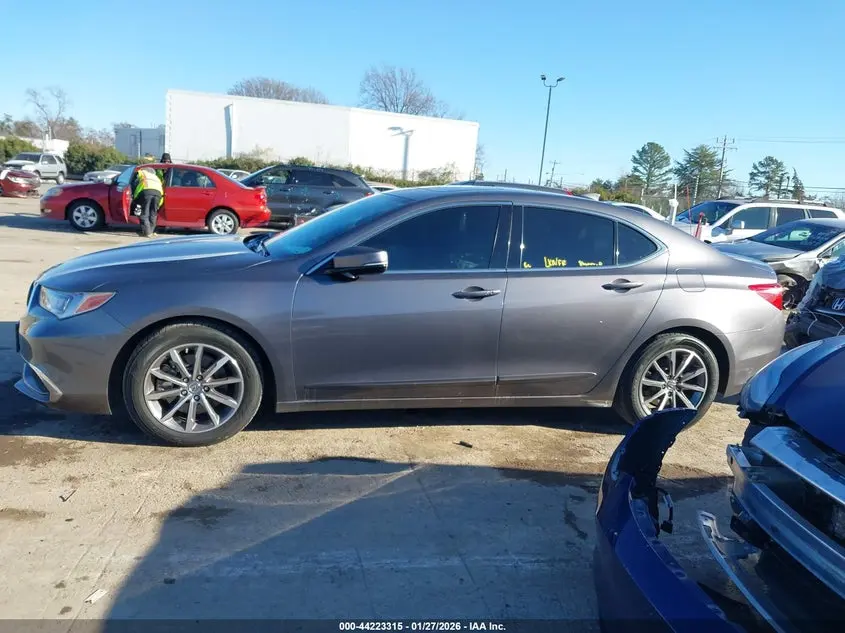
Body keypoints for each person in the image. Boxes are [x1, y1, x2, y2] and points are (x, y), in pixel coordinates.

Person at [131, 167, 164, 237]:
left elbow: (136, 185)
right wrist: (159, 204)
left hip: (146, 192)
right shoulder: (156, 177)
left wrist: (135, 198)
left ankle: (147, 232)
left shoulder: (141, 173)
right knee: (153, 213)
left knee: (144, 213)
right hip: (158, 194)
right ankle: (151, 231)